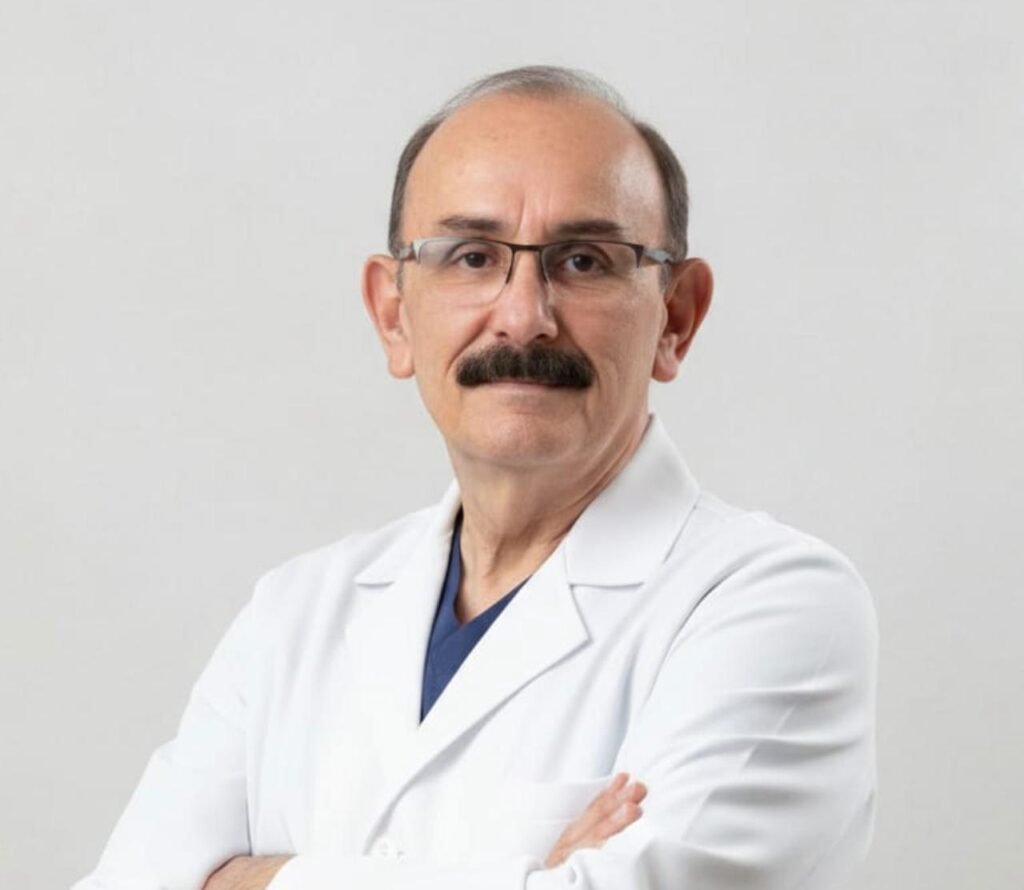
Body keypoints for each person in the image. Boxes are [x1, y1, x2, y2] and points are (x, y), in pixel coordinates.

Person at [73, 65, 877, 890]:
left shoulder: (777, 604)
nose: (524, 316)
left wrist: (250, 879)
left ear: (676, 317)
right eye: (471, 257)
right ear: (393, 315)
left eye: (585, 260)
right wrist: (523, 873)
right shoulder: (295, 613)